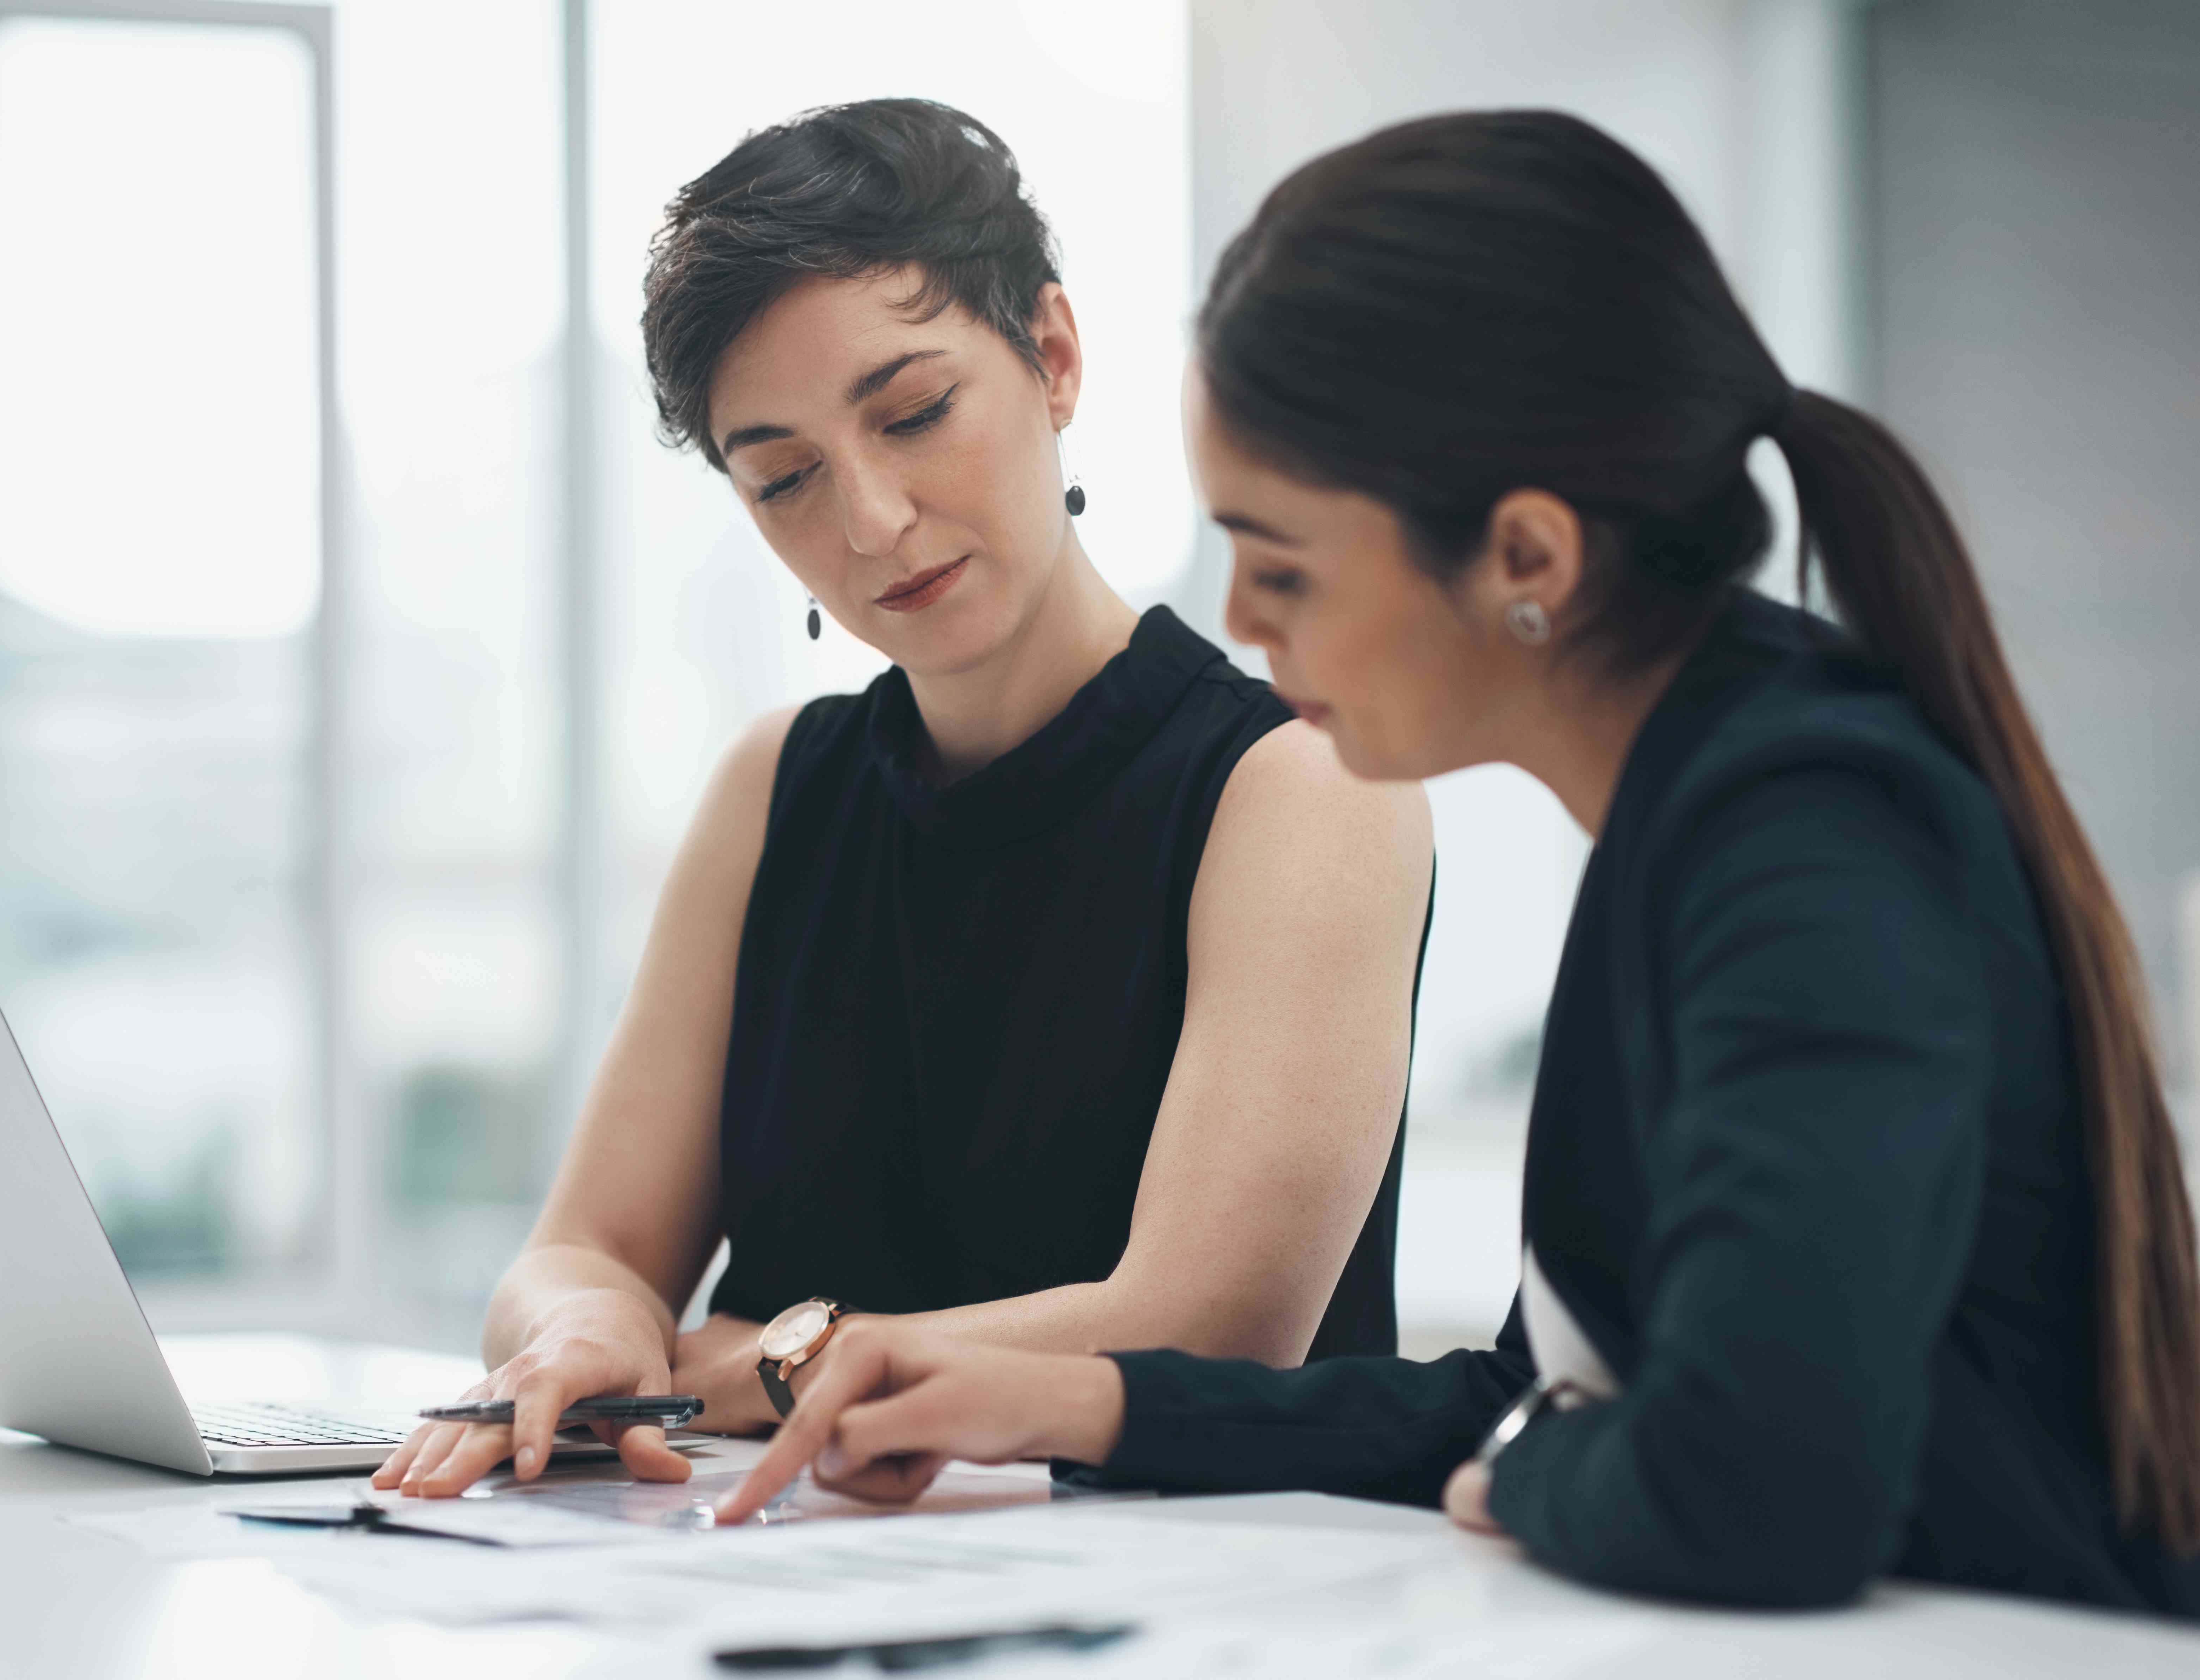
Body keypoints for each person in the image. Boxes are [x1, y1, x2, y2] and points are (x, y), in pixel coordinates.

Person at [715, 110, 2200, 1620]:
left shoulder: (1805, 830)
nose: (1242, 612)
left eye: (1282, 560)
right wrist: (1062, 1405)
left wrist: (1527, 1475)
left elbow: (1749, 1494)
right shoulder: (1698, 809)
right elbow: (1528, 1388)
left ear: (1528, 564)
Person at [375, 100, 1432, 1500]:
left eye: (916, 413)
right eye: (786, 479)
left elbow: (1207, 1329)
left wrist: (749, 1360)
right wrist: (586, 1329)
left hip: (1186, 1606)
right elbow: (583, 1252)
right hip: (778, 1585)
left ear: (1051, 358)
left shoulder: (1301, 785)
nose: (869, 520)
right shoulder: (773, 788)